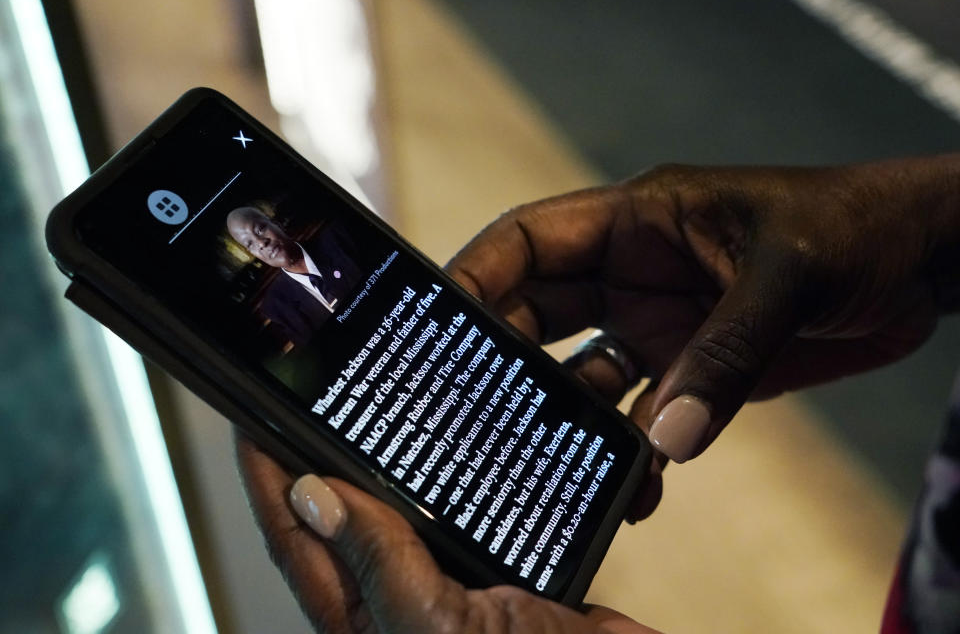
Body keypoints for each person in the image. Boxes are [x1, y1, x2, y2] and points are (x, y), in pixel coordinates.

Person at [236, 157, 960, 632]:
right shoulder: (282, 312)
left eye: (264, 229)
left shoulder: (336, 254)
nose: (268, 245)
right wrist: (937, 235)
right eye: (253, 245)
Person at [227, 207, 363, 346]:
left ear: (277, 224)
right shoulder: (276, 307)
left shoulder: (339, 238)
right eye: (250, 244)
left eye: (260, 229)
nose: (261, 243)